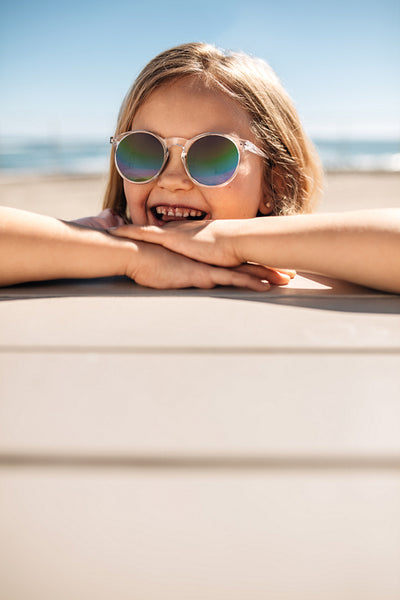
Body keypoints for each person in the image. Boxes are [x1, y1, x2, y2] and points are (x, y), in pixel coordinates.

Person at [1, 42, 399, 293]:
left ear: (275, 184)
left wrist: (231, 241)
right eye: (144, 151)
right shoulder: (110, 237)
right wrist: (130, 256)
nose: (172, 180)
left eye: (211, 155)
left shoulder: (292, 252)